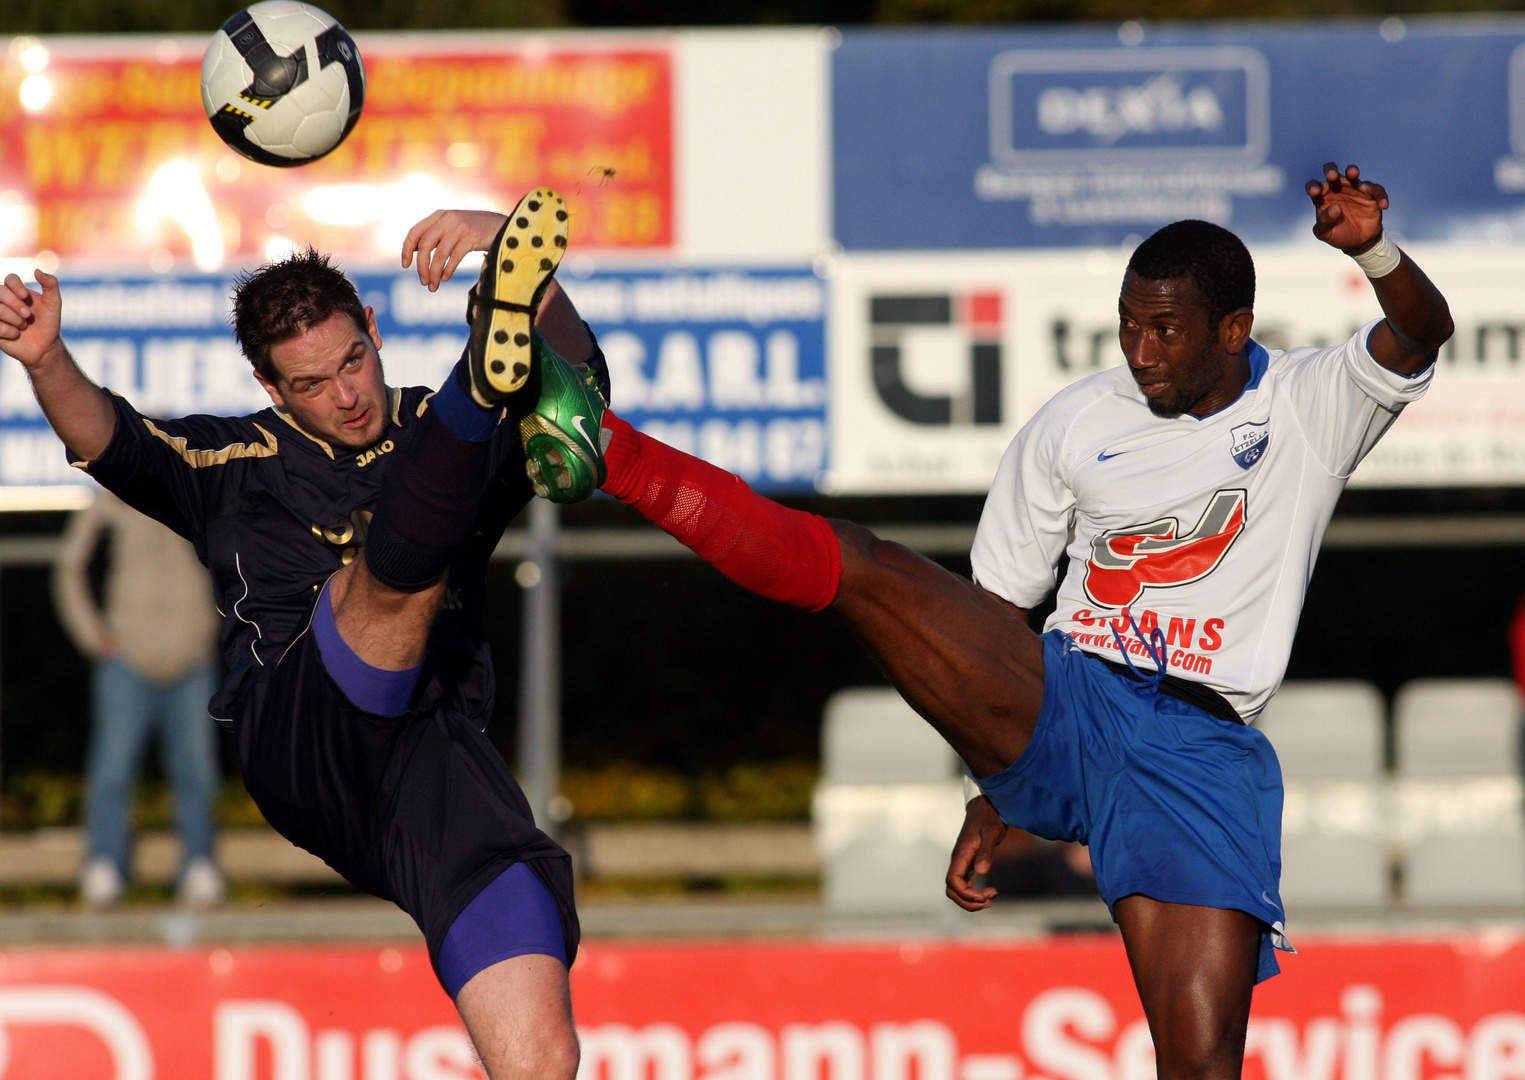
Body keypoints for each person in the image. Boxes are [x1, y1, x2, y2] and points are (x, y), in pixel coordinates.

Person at [519, 163, 1453, 1078]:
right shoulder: (1073, 420)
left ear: (1233, 329)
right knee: (865, 564)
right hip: (1069, 698)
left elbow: (1420, 331)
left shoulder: (1306, 404)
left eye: (1165, 330)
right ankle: (605, 447)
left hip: (1198, 755)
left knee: (1200, 1065)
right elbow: (992, 614)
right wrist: (995, 786)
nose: (1140, 351)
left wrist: (1374, 252)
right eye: (1128, 326)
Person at [0, 189, 609, 1079]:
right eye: (312, 384)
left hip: (431, 753)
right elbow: (113, 441)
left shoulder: (417, 422)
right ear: (270, 388)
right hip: (300, 731)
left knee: (542, 1050)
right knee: (388, 572)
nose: (348, 395)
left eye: (353, 361)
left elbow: (582, 385)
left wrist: (513, 253)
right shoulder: (230, 463)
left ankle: (490, 373)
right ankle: (481, 381)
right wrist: (47, 360)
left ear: (369, 324)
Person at [54, 489, 224, 909]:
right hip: (126, 660)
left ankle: (199, 863)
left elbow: (236, 562)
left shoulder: (197, 494)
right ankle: (105, 864)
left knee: (197, 770)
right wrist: (95, 638)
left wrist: (214, 633)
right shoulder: (108, 503)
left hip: (192, 661)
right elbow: (70, 570)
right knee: (112, 769)